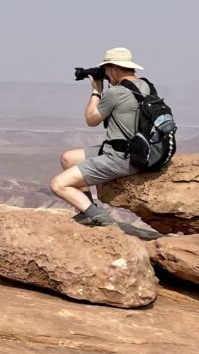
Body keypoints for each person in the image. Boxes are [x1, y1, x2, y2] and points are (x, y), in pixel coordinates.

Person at [50, 47, 150, 226]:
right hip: (139, 151)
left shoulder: (116, 92)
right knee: (68, 158)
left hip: (121, 158)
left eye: (106, 69)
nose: (105, 73)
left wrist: (96, 91)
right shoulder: (146, 86)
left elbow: (91, 119)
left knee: (58, 184)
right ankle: (86, 210)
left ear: (115, 68)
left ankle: (100, 218)